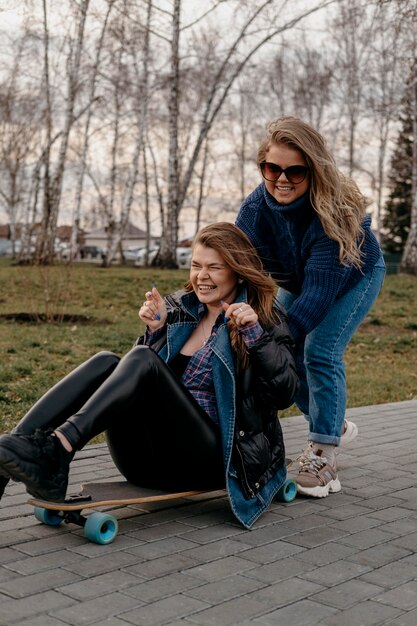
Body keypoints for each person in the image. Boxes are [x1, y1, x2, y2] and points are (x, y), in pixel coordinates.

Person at [0, 223, 298, 529]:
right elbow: (129, 383)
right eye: (196, 265)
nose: (201, 277)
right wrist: (156, 333)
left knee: (144, 358)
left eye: (214, 268)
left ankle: (58, 448)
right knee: (106, 361)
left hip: (212, 461)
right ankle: (9, 456)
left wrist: (255, 336)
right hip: (147, 458)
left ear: (237, 271)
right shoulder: (180, 309)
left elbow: (284, 394)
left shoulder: (263, 318)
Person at [235, 116, 386, 498]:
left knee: (318, 351)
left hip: (354, 275)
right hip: (299, 279)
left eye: (295, 171)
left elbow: (318, 295)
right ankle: (331, 424)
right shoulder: (254, 210)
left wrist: (274, 338)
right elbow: (237, 270)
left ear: (313, 171)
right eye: (272, 169)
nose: (281, 180)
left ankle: (325, 458)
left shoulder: (332, 215)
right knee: (283, 353)